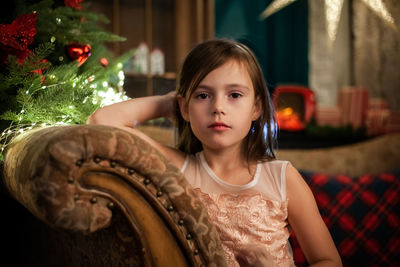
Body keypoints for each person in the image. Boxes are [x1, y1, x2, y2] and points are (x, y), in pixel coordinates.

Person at [87, 39, 342, 267]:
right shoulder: (177, 168)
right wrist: (171, 104)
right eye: (203, 95)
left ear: (256, 108)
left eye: (234, 95)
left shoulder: (282, 178)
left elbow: (328, 260)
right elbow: (101, 121)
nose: (218, 107)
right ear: (185, 108)